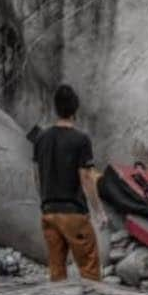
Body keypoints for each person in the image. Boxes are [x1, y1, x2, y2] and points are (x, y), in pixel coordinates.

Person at [32, 84, 107, 282]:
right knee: (90, 270)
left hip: (49, 212)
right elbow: (86, 179)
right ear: (75, 109)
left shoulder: (41, 138)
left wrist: (46, 203)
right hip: (74, 214)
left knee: (56, 272)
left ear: (55, 108)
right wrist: (99, 212)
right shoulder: (81, 139)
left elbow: (36, 176)